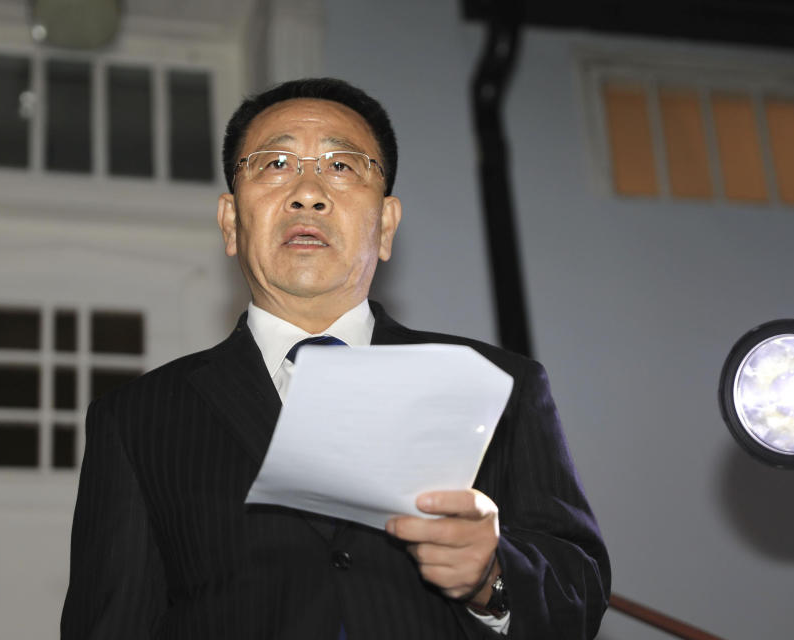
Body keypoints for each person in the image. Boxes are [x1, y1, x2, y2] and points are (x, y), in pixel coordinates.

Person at [61, 78, 610, 639]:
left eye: (342, 167)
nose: (308, 192)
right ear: (230, 222)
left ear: (387, 225)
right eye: (275, 163)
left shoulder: (501, 384)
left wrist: (492, 578)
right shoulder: (136, 420)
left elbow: (580, 591)